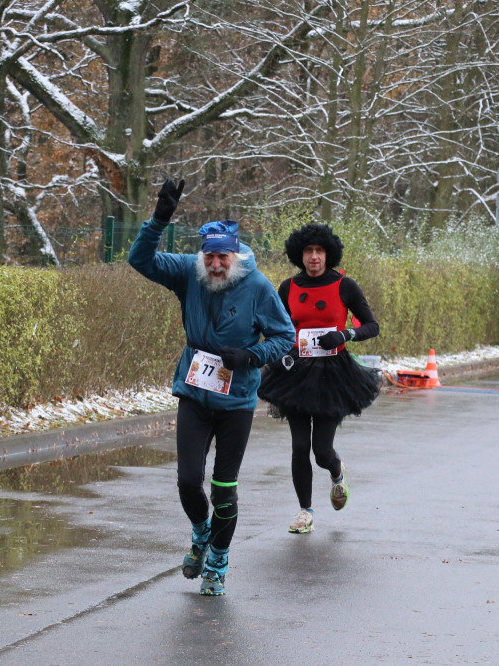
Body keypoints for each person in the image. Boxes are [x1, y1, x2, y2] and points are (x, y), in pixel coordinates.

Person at [128, 178, 295, 596]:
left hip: (236, 398)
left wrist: (253, 356)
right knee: (187, 480)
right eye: (209, 257)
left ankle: (217, 563)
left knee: (223, 486)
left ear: (235, 255)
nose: (215, 265)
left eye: (222, 256)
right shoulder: (190, 272)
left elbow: (285, 336)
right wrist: (159, 220)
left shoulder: (257, 286)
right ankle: (201, 534)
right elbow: (140, 260)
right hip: (194, 391)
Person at [258, 222, 382, 535]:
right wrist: (280, 352)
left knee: (321, 451)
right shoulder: (288, 287)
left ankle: (337, 473)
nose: (314, 257)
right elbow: (274, 326)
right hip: (296, 373)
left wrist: (344, 333)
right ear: (300, 255)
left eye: (320, 251)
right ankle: (305, 512)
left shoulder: (345, 286)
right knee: (299, 447)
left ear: (329, 254)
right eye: (309, 251)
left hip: (334, 374)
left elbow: (371, 325)